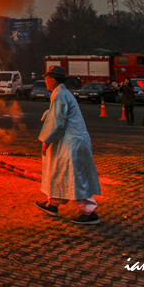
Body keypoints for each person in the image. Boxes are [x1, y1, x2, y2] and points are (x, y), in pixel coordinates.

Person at [35, 66, 102, 225]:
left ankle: (88, 212)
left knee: (76, 177)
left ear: (52, 79)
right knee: (60, 172)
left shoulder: (60, 96)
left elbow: (58, 123)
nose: (45, 81)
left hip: (72, 144)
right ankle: (53, 203)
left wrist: (46, 140)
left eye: (46, 78)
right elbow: (57, 115)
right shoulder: (61, 94)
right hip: (71, 141)